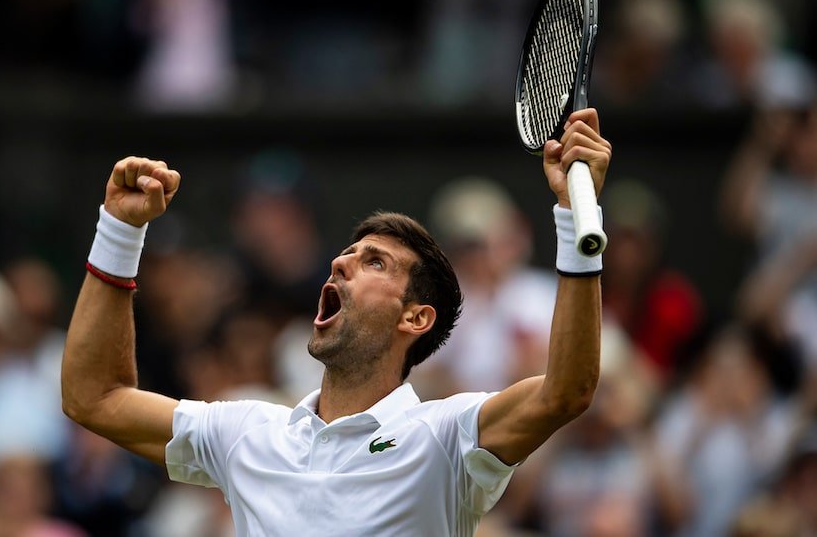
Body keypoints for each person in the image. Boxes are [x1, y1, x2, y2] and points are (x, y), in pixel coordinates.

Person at [61, 108, 612, 535]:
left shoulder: (447, 436)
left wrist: (574, 216)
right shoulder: (248, 435)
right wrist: (119, 231)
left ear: (416, 317)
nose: (342, 262)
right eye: (346, 254)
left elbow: (567, 391)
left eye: (375, 262)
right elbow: (95, 397)